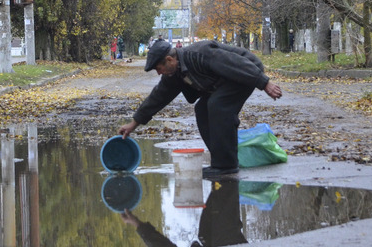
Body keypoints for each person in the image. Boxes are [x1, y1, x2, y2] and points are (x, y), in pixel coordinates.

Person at [117, 39, 283, 177]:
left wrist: (264, 83)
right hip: (223, 81)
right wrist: (134, 123)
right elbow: (158, 97)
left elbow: (236, 64)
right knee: (202, 110)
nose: (159, 73)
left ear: (169, 60)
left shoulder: (199, 53)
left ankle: (226, 165)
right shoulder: (174, 73)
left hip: (245, 71)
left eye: (158, 68)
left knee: (218, 105)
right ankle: (222, 159)